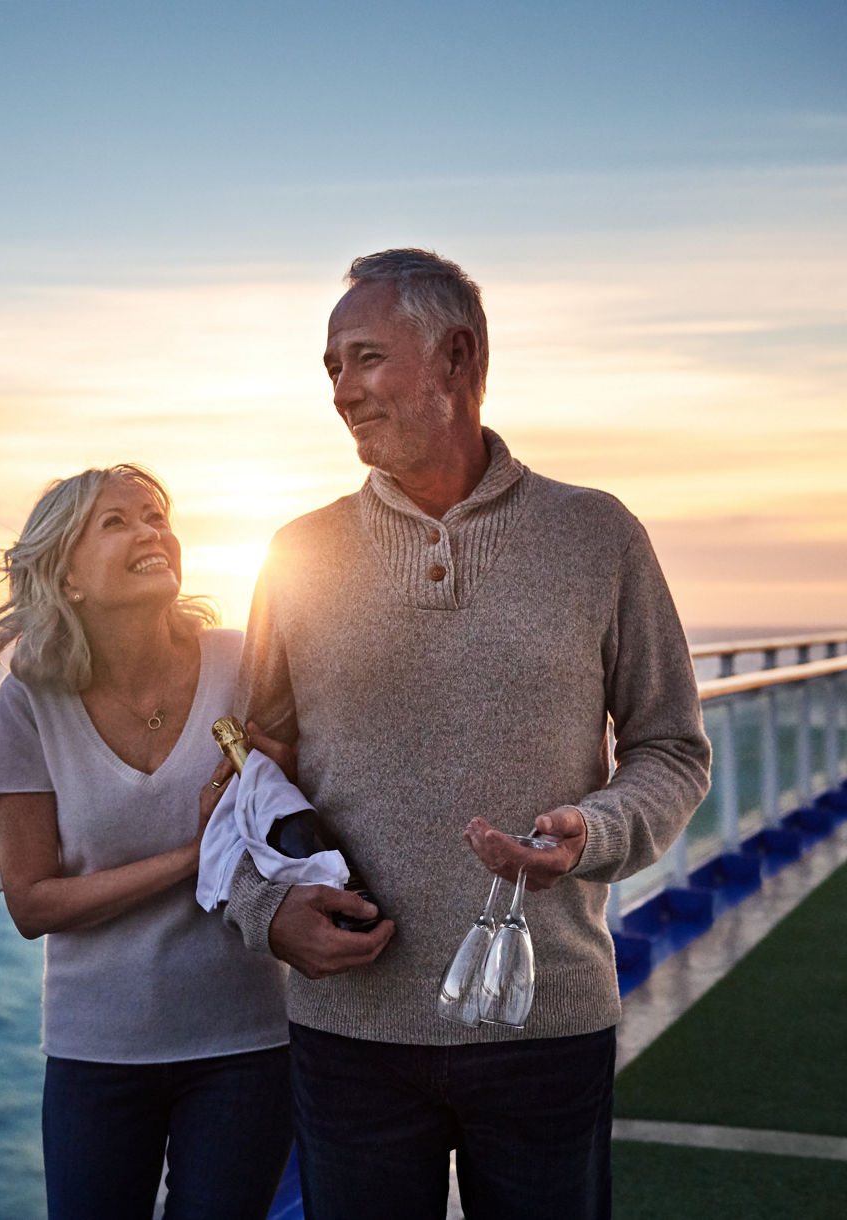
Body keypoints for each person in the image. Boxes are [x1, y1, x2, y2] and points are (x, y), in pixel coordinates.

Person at [221, 249, 712, 1220]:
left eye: (363, 358)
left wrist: (596, 828)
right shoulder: (294, 552)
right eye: (330, 369)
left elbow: (670, 746)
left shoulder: (596, 534)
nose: (341, 392)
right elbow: (243, 769)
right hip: (347, 1028)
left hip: (546, 1017)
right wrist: (259, 907)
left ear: (455, 356)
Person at [0, 464, 292, 1220]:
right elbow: (30, 901)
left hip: (244, 1040)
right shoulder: (29, 700)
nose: (150, 531)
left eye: (155, 516)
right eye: (115, 523)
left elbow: (303, 803)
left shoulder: (242, 666)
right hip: (97, 1053)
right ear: (67, 577)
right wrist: (189, 858)